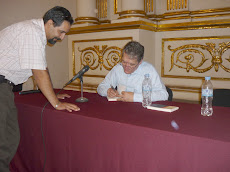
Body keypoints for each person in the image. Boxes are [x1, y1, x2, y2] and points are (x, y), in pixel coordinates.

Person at [0, 6, 80, 172]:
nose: (62, 37)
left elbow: (42, 68)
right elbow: (39, 74)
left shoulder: (35, 33)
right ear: (50, 23)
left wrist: (54, 94)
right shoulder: (31, 32)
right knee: (3, 140)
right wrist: (56, 104)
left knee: (10, 137)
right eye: (61, 32)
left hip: (6, 87)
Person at [97, 41, 168, 102]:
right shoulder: (118, 68)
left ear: (140, 61)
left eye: (131, 64)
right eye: (124, 62)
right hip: (120, 110)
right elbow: (101, 87)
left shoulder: (149, 70)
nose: (126, 66)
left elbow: (164, 95)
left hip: (142, 112)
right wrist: (108, 91)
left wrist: (134, 97)